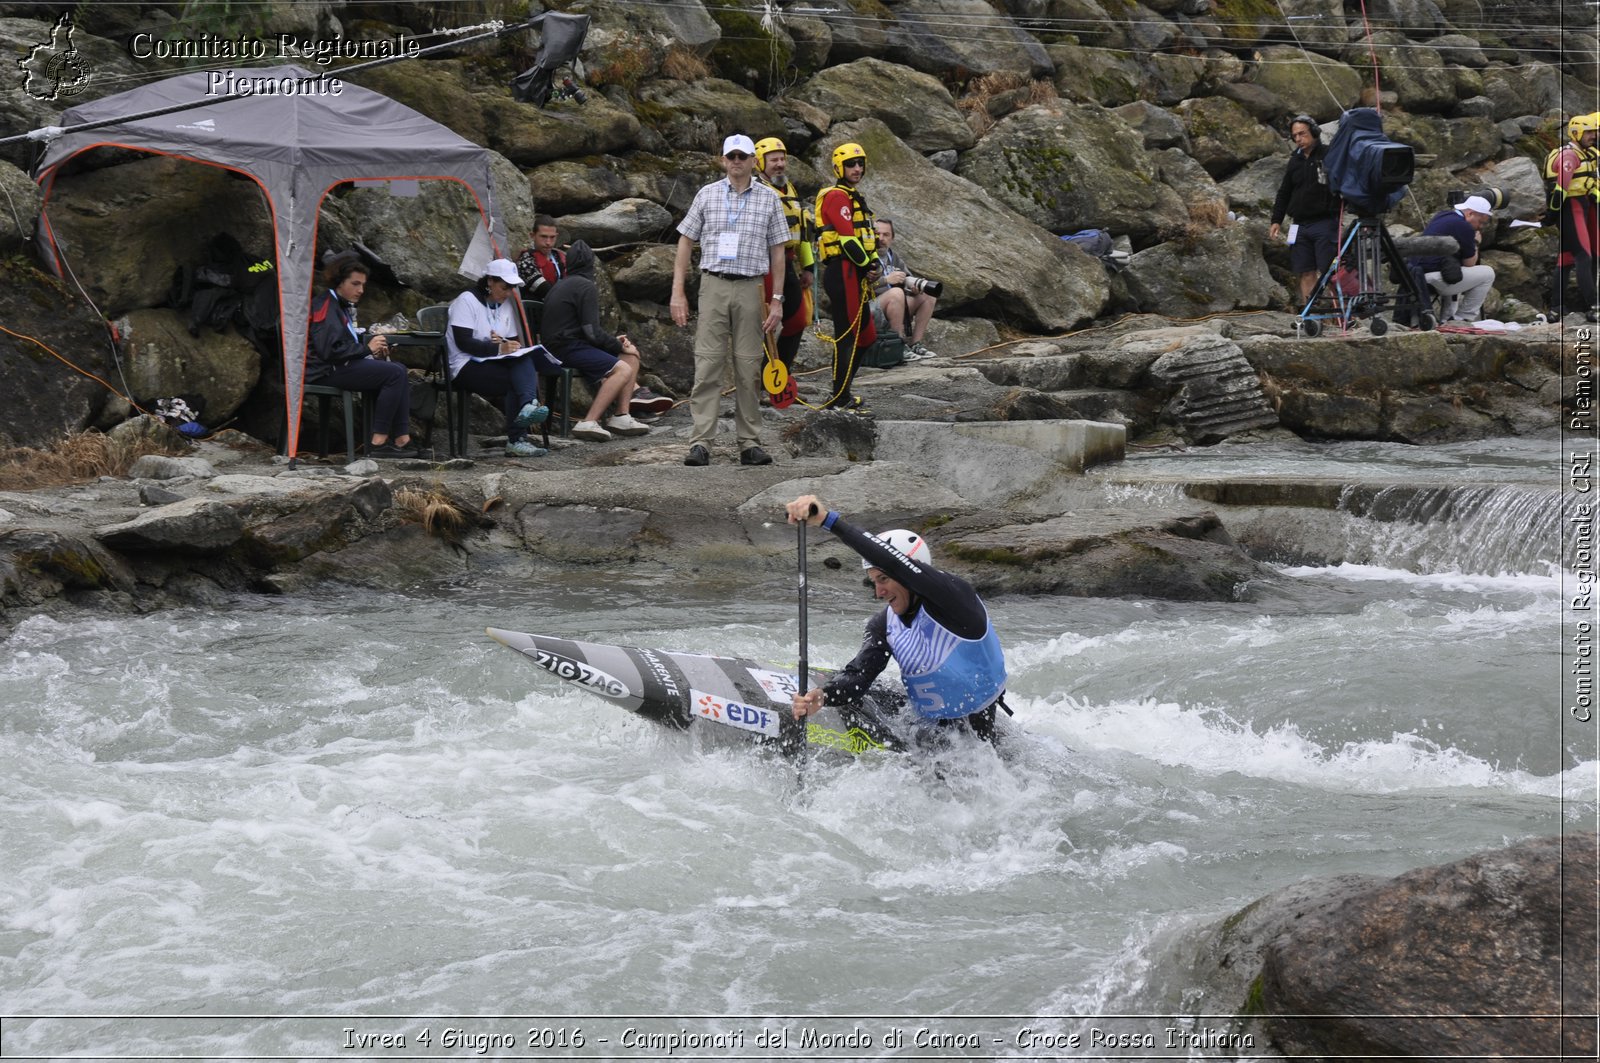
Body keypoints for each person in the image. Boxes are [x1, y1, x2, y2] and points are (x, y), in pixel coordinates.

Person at [783, 494, 1009, 744]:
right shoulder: (884, 624)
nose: (879, 593)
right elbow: (859, 677)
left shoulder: (956, 600)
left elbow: (894, 562)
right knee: (866, 696)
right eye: (874, 582)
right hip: (924, 724)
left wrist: (829, 521)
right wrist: (824, 696)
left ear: (911, 572)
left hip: (975, 740)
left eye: (883, 579)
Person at [670, 133, 788, 467]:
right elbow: (684, 241)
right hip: (714, 283)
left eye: (743, 156)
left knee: (749, 366)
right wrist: (678, 292)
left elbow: (778, 252)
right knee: (707, 363)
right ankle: (701, 442)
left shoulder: (769, 199)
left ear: (754, 160)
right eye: (731, 156)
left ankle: (749, 441)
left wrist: (777, 299)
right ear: (724, 160)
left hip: (752, 287)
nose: (737, 161)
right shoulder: (707, 194)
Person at [539, 240, 651, 441]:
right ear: (591, 264)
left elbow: (583, 331)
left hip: (562, 345)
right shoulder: (585, 286)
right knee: (623, 368)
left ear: (569, 263)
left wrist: (617, 344)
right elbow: (592, 332)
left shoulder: (561, 284)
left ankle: (621, 416)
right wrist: (617, 345)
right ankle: (589, 421)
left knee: (630, 359)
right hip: (564, 349)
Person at [307, 252, 416, 459]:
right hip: (323, 370)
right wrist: (367, 349)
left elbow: (343, 342)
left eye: (363, 285)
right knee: (394, 373)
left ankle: (403, 439)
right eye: (355, 284)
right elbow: (328, 351)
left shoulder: (339, 304)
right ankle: (379, 442)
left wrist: (373, 348)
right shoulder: (326, 306)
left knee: (398, 369)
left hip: (335, 366)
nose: (361, 290)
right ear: (339, 282)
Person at [445, 258, 553, 458]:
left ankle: (528, 407)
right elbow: (464, 343)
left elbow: (511, 342)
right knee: (516, 380)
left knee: (524, 359)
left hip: (490, 362)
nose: (509, 292)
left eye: (512, 288)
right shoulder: (466, 301)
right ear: (489, 282)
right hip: (464, 365)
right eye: (505, 287)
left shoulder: (506, 304)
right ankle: (517, 438)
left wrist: (506, 344)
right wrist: (497, 348)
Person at [813, 142, 880, 411]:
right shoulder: (837, 196)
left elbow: (865, 241)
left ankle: (842, 391)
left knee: (867, 336)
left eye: (860, 163)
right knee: (847, 335)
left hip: (856, 271)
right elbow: (848, 240)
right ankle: (839, 397)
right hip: (843, 272)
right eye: (851, 164)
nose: (857, 168)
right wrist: (867, 265)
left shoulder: (853, 196)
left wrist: (873, 263)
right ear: (839, 167)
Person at [753, 136, 815, 377]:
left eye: (782, 159)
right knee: (766, 324)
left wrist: (807, 266)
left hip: (789, 262)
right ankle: (762, 381)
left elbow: (802, 230)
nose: (779, 164)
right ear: (760, 162)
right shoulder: (756, 190)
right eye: (773, 160)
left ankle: (781, 376)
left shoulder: (789, 188)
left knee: (798, 321)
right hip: (765, 263)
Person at [1269, 115, 1343, 308]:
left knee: (1330, 271)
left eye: (1302, 133)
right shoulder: (1295, 161)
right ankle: (1309, 315)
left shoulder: (1329, 155)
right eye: (1295, 136)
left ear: (1314, 132)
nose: (1298, 139)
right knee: (1305, 270)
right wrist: (1276, 219)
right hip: (1299, 225)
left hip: (1325, 222)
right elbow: (1284, 192)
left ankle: (1343, 315)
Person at [1544, 112, 1600, 321]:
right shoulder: (1570, 155)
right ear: (1576, 133)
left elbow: (1588, 185)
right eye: (1589, 133)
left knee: (1566, 258)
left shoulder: (1586, 153)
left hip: (1582, 205)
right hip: (1570, 207)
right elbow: (1561, 189)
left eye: (1593, 132)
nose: (1593, 136)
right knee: (1584, 256)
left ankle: (1556, 307)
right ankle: (1594, 306)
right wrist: (1552, 213)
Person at [1411, 195, 1497, 324]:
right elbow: (1469, 264)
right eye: (1481, 222)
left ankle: (1447, 317)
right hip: (1432, 280)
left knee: (1453, 267)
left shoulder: (1442, 216)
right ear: (1471, 213)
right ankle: (1463, 317)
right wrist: (1476, 243)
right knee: (1488, 273)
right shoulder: (1465, 227)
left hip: (1415, 276)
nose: (1481, 227)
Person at [872, 218, 939, 361]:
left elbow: (907, 280)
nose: (881, 239)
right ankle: (898, 346)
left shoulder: (893, 257)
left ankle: (915, 344)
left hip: (892, 307)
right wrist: (885, 280)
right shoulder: (864, 255)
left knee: (928, 293)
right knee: (896, 293)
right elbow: (856, 289)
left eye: (886, 235)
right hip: (869, 309)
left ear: (892, 238)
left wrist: (913, 289)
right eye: (877, 234)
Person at [515, 214, 565, 301]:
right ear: (532, 235)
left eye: (552, 237)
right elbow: (546, 291)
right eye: (543, 236)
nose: (548, 242)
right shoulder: (525, 261)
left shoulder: (559, 257)